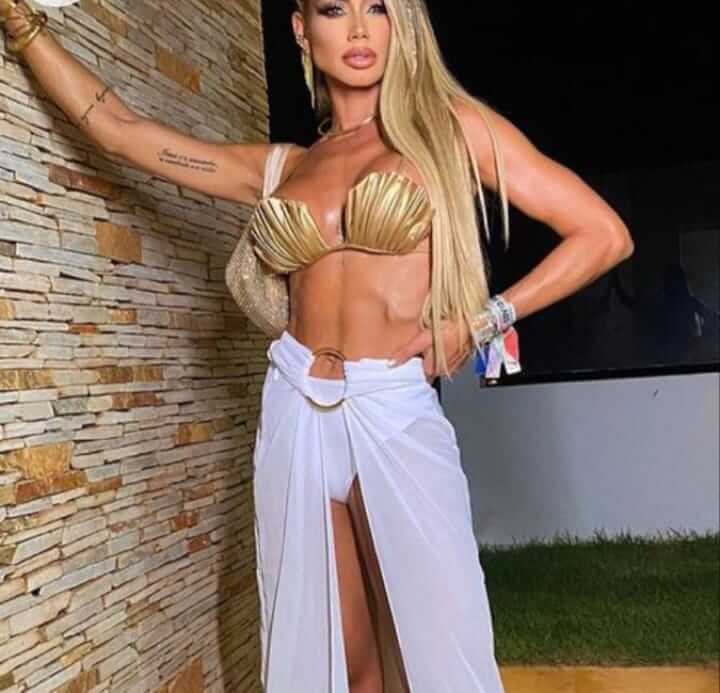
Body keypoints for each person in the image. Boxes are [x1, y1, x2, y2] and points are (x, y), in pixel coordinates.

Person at [1, 1, 634, 691]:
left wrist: (482, 320)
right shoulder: (285, 167)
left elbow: (603, 234)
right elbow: (123, 133)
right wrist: (22, 26)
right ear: (303, 30)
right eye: (335, 9)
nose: (359, 29)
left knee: (442, 656)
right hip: (295, 407)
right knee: (335, 664)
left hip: (392, 410)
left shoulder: (451, 131)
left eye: (377, 8)